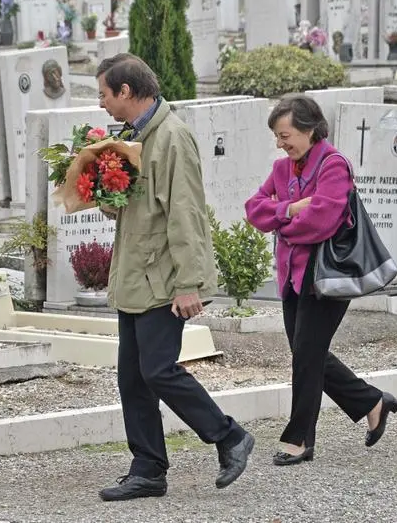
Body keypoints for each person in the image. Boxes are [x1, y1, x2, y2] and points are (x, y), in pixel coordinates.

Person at [95, 53, 254, 502]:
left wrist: (189, 283)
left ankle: (228, 436)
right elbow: (131, 207)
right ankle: (147, 468)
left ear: (126, 91)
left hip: (163, 279)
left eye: (104, 94)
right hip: (135, 277)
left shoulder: (172, 138)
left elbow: (185, 214)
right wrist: (101, 187)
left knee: (157, 370)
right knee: (132, 379)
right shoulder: (134, 136)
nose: (102, 104)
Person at [244, 95, 397, 466]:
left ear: (309, 129)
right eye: (277, 137)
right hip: (292, 278)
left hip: (326, 276)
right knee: (307, 353)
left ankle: (299, 439)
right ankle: (372, 401)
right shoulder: (283, 169)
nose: (281, 144)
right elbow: (254, 209)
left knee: (306, 356)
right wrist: (290, 209)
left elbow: (321, 222)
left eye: (285, 135)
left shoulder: (333, 166)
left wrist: (282, 222)